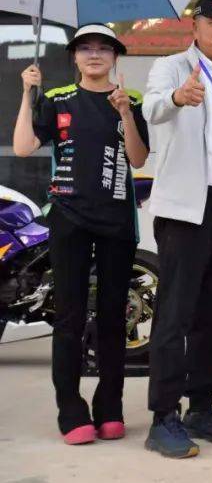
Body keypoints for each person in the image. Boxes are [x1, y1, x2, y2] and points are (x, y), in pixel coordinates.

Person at [12, 25, 148, 445]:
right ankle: (70, 410)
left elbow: (138, 158)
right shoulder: (56, 99)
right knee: (69, 316)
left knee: (113, 316)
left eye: (103, 48)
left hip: (117, 220)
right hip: (69, 218)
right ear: (74, 56)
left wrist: (125, 114)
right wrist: (27, 93)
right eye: (85, 48)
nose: (94, 55)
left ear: (115, 57)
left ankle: (111, 408)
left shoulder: (130, 100)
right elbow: (23, 147)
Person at [142, 0, 212, 458]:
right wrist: (176, 97)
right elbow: (150, 107)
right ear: (196, 26)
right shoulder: (171, 67)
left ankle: (201, 407)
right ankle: (162, 416)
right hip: (188, 209)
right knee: (175, 316)